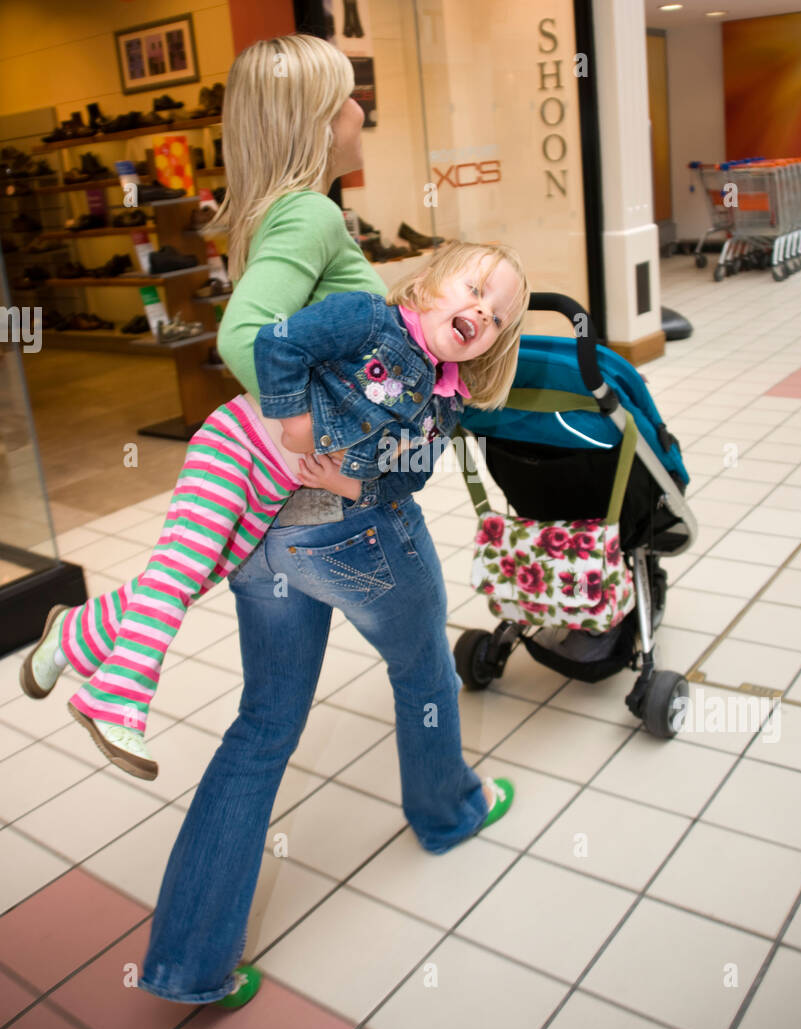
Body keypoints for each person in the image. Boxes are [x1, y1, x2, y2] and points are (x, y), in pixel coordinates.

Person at [22, 34, 525, 1010]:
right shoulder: (310, 212)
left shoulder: (278, 216)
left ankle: (190, 960)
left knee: (262, 725)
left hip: (272, 533)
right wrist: (303, 439)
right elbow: (247, 337)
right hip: (350, 520)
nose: (358, 117)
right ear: (311, 119)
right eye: (347, 102)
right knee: (421, 664)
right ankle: (447, 808)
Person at [19, 242, 528, 781]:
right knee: (178, 571)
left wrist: (349, 485)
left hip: (275, 487)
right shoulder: (367, 318)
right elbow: (277, 343)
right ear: (427, 286)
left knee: (196, 578)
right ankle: (116, 699)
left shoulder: (443, 404)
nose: (479, 313)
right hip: (236, 443)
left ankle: (72, 634)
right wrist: (294, 420)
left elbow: (412, 475)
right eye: (473, 291)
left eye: (495, 317)